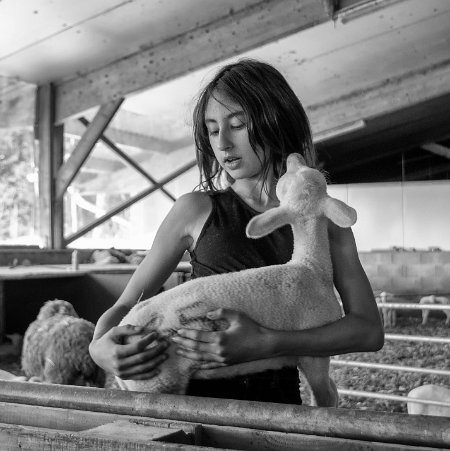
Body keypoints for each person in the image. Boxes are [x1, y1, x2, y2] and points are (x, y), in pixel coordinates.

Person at [89, 58, 384, 404]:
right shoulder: (195, 210)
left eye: (238, 124)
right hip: (193, 407)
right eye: (213, 130)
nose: (223, 143)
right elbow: (126, 303)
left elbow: (367, 329)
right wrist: (99, 348)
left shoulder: (318, 217)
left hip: (279, 416)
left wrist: (269, 342)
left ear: (276, 120)